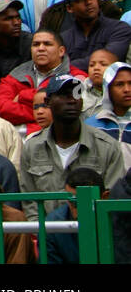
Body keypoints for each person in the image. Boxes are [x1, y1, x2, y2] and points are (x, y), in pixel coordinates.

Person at [19, 75, 125, 220]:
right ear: (48, 102)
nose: (71, 100)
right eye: (64, 95)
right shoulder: (31, 148)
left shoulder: (107, 146)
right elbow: (30, 202)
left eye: (77, 94)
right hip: (49, 236)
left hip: (95, 234)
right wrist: (45, 235)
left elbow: (112, 199)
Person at [0, 29, 86, 130]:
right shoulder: (17, 73)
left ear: (61, 51)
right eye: (36, 44)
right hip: (14, 136)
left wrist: (22, 95)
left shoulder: (76, 77)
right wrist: (42, 114)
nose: (41, 48)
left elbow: (67, 110)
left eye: (47, 44)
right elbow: (0, 108)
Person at [42, 166, 106, 264]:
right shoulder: (52, 226)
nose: (75, 210)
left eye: (82, 202)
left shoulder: (118, 220)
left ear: (104, 197)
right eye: (71, 201)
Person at [85, 60, 131, 144]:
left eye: (130, 83)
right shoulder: (91, 126)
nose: (127, 89)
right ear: (108, 89)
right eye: (120, 84)